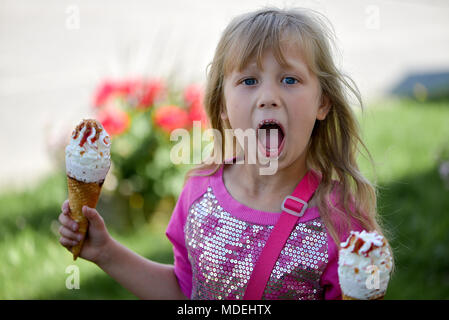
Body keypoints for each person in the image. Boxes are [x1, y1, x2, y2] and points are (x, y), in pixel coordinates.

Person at [58, 6, 393, 300]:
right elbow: (184, 291)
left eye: (289, 79)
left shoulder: (340, 220)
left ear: (322, 102)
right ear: (223, 108)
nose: (268, 97)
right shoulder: (199, 193)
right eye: (249, 81)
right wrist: (106, 253)